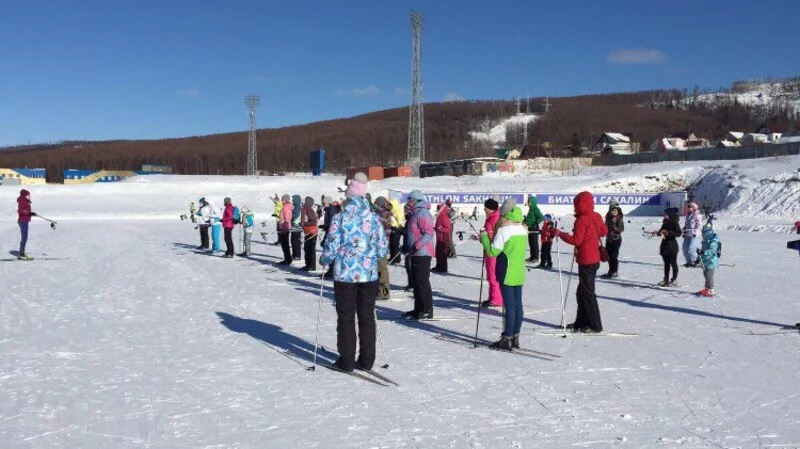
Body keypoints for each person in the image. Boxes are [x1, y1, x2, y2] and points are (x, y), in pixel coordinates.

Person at [320, 173, 388, 373]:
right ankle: (367, 360)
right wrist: (369, 255)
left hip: (345, 275)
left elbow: (331, 245)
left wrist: (325, 260)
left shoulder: (340, 218)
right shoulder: (373, 219)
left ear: (349, 197)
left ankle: (347, 360)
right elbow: (382, 249)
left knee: (346, 317)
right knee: (367, 316)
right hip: (368, 275)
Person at [551, 191, 608, 333]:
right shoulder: (596, 216)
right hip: (594, 258)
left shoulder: (581, 220)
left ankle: (595, 325)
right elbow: (603, 232)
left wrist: (560, 234)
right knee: (581, 292)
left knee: (587, 293)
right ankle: (581, 322)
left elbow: (576, 240)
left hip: (586, 260)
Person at [480, 200, 529, 350]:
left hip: (507, 271)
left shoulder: (504, 230)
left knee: (509, 307)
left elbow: (493, 252)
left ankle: (507, 337)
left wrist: (484, 238)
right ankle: (515, 336)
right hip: (519, 271)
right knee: (517, 305)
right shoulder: (522, 228)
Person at [403, 190, 435, 320]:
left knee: (422, 281)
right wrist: (406, 246)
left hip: (423, 252)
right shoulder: (414, 213)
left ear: (417, 201)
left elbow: (429, 233)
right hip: (415, 252)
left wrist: (416, 245)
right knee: (416, 282)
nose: (408, 202)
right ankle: (418, 308)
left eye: (410, 200)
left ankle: (426, 309)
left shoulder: (423, 213)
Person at [478, 198, 503, 307]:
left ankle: (497, 299)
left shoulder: (495, 219)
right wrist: (481, 237)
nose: (484, 210)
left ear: (491, 209)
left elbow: (494, 237)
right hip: (488, 250)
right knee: (490, 275)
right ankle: (493, 297)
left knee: (493, 276)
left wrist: (485, 236)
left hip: (493, 251)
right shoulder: (491, 217)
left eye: (486, 208)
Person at [653, 207, 682, 287]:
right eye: (664, 214)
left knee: (673, 264)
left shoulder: (675, 223)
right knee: (666, 264)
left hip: (672, 246)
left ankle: (674, 279)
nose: (664, 215)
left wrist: (668, 233)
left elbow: (679, 233)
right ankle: (666, 279)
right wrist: (657, 233)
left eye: (666, 214)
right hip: (665, 246)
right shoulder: (665, 222)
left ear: (670, 214)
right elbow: (662, 232)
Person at [373, 196, 394, 300]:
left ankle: (384, 293)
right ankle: (378, 291)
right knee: (377, 270)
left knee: (382, 270)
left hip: (381, 247)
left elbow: (386, 232)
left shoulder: (385, 214)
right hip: (375, 246)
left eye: (376, 204)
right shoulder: (376, 213)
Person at [697, 223, 721, 297]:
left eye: (703, 233)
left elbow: (712, 250)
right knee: (706, 275)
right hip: (705, 261)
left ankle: (711, 289)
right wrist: (699, 257)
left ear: (708, 233)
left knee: (709, 275)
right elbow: (703, 250)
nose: (702, 235)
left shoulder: (713, 241)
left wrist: (703, 252)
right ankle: (707, 288)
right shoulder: (705, 240)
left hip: (711, 261)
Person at [602, 205, 624, 278]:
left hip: (616, 239)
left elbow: (621, 229)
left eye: (615, 210)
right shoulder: (608, 218)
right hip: (608, 239)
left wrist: (614, 225)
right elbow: (605, 228)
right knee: (609, 256)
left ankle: (614, 272)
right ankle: (610, 271)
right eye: (613, 210)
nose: (614, 212)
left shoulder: (619, 218)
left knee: (614, 256)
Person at [300, 196, 319, 271]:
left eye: (305, 201)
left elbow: (314, 221)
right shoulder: (305, 208)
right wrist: (302, 223)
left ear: (307, 202)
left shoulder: (309, 209)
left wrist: (304, 224)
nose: (303, 202)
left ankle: (311, 266)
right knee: (307, 248)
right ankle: (308, 265)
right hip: (308, 232)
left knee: (310, 249)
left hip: (312, 232)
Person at [16, 189, 36, 260]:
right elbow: (20, 211)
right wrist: (29, 213)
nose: (29, 196)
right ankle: (21, 254)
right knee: (24, 237)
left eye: (29, 195)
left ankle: (21, 252)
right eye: (28, 195)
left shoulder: (26, 201)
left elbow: (26, 211)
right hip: (23, 221)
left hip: (25, 221)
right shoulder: (22, 201)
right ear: (24, 196)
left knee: (25, 237)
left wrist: (31, 213)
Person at [432, 202, 452, 273]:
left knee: (442, 254)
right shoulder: (439, 217)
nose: (437, 209)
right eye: (437, 208)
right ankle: (438, 266)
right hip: (439, 238)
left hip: (443, 239)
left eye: (438, 208)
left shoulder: (444, 217)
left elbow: (447, 229)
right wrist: (435, 228)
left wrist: (439, 229)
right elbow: (439, 227)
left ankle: (443, 268)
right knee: (438, 253)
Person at [682, 202, 703, 267]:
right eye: (687, 207)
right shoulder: (688, 215)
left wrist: (695, 233)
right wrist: (684, 230)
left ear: (693, 208)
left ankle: (696, 261)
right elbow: (686, 224)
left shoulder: (698, 215)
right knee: (685, 248)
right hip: (687, 233)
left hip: (694, 235)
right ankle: (689, 262)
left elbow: (699, 226)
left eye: (689, 207)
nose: (688, 208)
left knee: (691, 248)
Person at [524, 195, 544, 262]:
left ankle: (535, 257)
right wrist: (525, 219)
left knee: (534, 243)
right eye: (528, 201)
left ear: (533, 202)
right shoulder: (530, 209)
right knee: (531, 243)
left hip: (534, 228)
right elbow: (530, 218)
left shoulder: (535, 209)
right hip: (530, 228)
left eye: (529, 202)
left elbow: (541, 217)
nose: (528, 203)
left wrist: (535, 223)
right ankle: (532, 256)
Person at [277, 194, 294, 265]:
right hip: (284, 227)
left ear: (285, 200)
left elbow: (287, 219)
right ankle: (287, 259)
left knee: (285, 245)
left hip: (284, 228)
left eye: (282, 199)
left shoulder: (285, 208)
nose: (281, 201)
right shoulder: (287, 207)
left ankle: (287, 260)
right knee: (285, 244)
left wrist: (285, 228)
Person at [388, 197, 405, 265]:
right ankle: (392, 257)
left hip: (397, 228)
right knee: (391, 243)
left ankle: (397, 259)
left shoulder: (397, 210)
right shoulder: (392, 210)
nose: (390, 206)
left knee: (395, 244)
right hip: (392, 228)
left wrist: (398, 225)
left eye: (391, 204)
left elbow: (400, 219)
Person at [291, 195, 302, 260]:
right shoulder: (296, 206)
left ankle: (297, 255)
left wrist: (291, 214)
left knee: (295, 241)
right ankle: (295, 255)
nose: (292, 200)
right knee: (294, 240)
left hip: (296, 226)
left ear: (296, 200)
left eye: (293, 199)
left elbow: (297, 215)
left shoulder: (297, 206)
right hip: (295, 225)